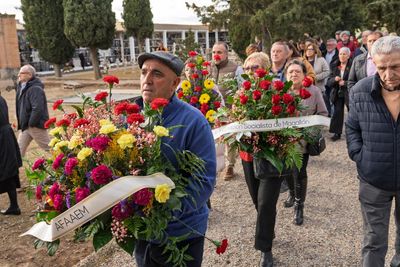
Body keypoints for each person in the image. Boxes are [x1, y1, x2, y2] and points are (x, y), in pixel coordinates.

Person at [134, 51, 216, 267]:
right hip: (143, 231)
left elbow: (203, 182)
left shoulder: (193, 122)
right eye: (143, 73)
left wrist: (161, 211)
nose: (147, 80)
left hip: (181, 235)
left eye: (157, 74)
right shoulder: (130, 119)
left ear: (175, 83)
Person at [345, 35, 400, 267]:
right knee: (374, 241)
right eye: (382, 68)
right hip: (373, 179)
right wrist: (360, 156)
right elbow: (351, 128)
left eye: (396, 66)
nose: (388, 75)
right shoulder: (360, 91)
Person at [283, 60, 328, 225]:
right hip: (283, 139)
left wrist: (311, 132)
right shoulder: (280, 91)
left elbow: (322, 113)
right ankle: (292, 192)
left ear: (304, 75)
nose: (294, 74)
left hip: (302, 140)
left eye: (297, 72)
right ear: (286, 75)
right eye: (290, 72)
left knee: (299, 172)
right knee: (286, 170)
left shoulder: (313, 91)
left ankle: (298, 205)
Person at [210, 41, 243, 181]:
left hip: (229, 110)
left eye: (219, 52)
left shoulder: (236, 69)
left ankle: (230, 165)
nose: (216, 55)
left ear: (226, 54)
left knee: (229, 139)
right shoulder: (207, 67)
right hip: (211, 111)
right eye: (214, 52)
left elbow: (241, 89)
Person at [16, 64, 50, 157]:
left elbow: (37, 108)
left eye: (21, 73)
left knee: (49, 148)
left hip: (35, 125)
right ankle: (11, 170)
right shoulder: (22, 87)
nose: (19, 75)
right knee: (18, 149)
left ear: (29, 75)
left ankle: (68, 164)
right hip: (25, 126)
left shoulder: (35, 89)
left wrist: (31, 123)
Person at [0, 95, 22, 215]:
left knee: (7, 172)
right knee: (9, 172)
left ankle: (14, 206)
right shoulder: (1, 98)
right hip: (5, 136)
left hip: (2, 138)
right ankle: (14, 206)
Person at [327, 47, 352, 141]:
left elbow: (356, 81)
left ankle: (353, 132)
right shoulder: (334, 66)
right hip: (337, 93)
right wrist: (334, 80)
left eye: (344, 54)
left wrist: (345, 83)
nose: (342, 56)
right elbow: (328, 82)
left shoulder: (353, 65)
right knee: (337, 112)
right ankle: (337, 133)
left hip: (349, 92)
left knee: (352, 113)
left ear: (348, 56)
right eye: (340, 54)